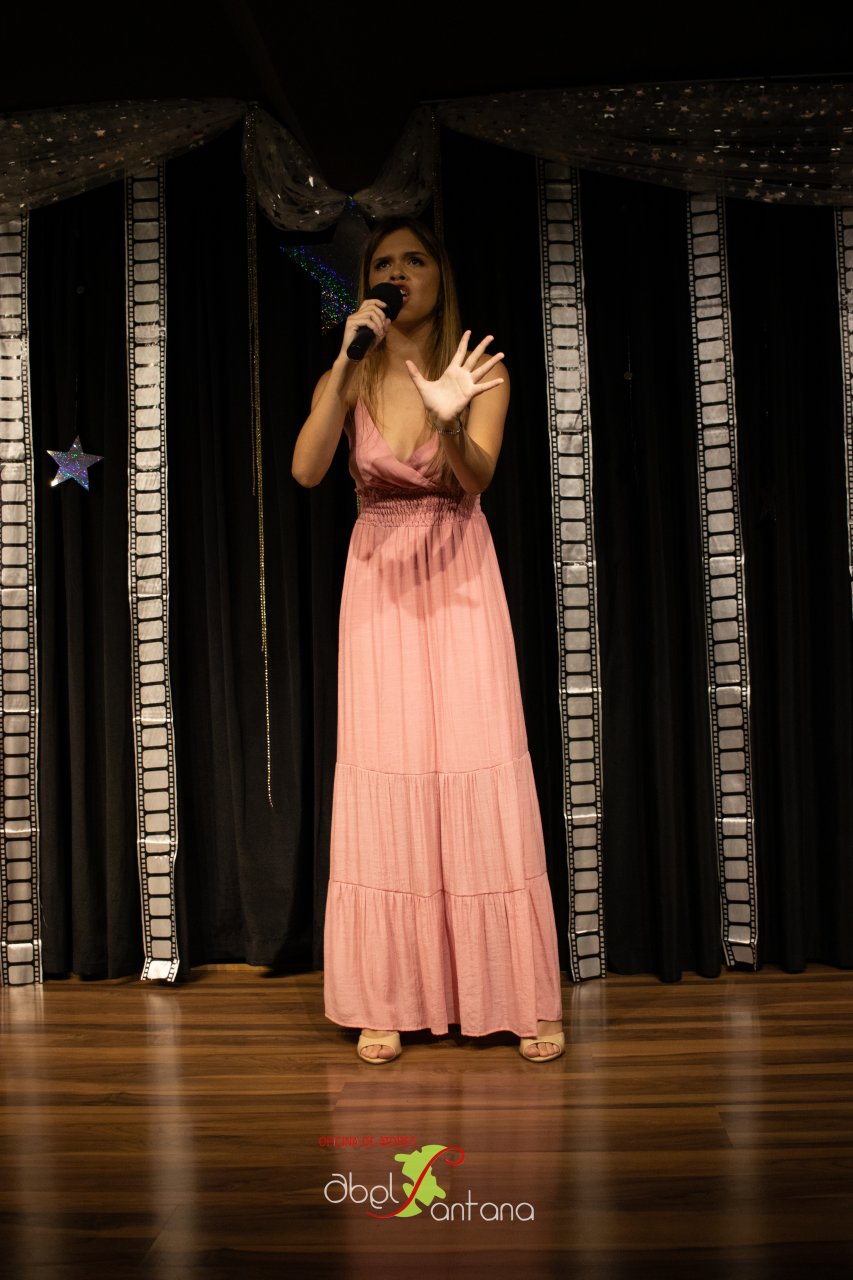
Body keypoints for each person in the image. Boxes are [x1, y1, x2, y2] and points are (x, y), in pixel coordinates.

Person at [292, 216, 564, 1064]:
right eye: (385, 262)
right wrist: (345, 365)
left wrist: (449, 421)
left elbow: (475, 476)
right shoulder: (349, 373)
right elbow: (306, 469)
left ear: (440, 274)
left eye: (415, 259)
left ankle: (513, 994)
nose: (400, 271)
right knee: (390, 769)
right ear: (367, 281)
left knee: (476, 765)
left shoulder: (480, 369)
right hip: (378, 574)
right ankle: (387, 995)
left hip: (458, 570)